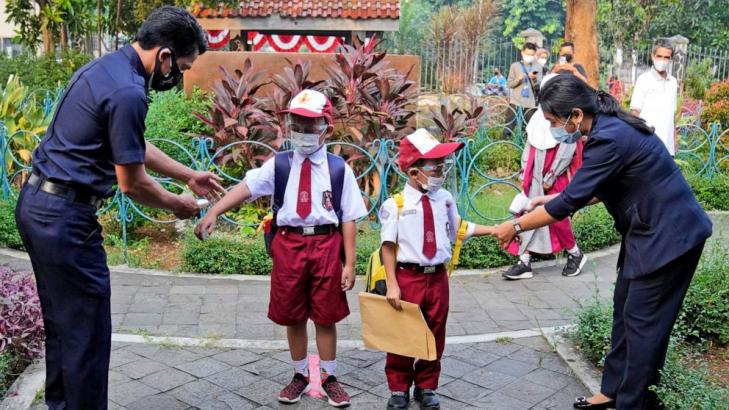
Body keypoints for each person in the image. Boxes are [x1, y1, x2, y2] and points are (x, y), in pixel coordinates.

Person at [14, 6, 224, 410]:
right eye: (182, 66)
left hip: (38, 206)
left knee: (63, 326)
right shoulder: (129, 91)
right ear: (164, 56)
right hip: (65, 219)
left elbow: (131, 142)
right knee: (88, 334)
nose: (178, 75)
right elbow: (132, 183)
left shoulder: (107, 68)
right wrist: (176, 204)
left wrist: (187, 175)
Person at [490, 74, 712, 409]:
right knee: (625, 313)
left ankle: (633, 403)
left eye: (553, 121)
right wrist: (550, 197)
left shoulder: (610, 136)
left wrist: (516, 226)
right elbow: (593, 187)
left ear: (575, 115)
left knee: (644, 328)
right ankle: (611, 392)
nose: (552, 128)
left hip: (671, 240)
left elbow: (568, 206)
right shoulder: (607, 127)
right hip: (648, 233)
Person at [195, 89, 367, 408]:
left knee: (325, 316)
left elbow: (349, 219)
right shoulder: (280, 165)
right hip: (288, 244)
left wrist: (350, 263)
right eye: (297, 125)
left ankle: (329, 376)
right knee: (293, 315)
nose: (302, 132)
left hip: (326, 244)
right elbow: (246, 188)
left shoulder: (338, 169)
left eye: (310, 125)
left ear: (326, 128)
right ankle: (300, 374)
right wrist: (214, 211)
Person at [382, 129, 492, 410]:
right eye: (435, 167)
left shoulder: (444, 198)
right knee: (404, 332)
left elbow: (459, 229)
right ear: (414, 171)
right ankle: (398, 387)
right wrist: (392, 284)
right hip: (408, 276)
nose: (440, 173)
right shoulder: (396, 205)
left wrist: (497, 229)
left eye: (443, 167)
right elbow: (388, 247)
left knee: (435, 331)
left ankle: (427, 384)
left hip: (437, 276)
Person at [503, 74, 586, 280]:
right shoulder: (538, 119)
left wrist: (552, 175)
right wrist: (525, 171)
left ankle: (575, 253)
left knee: (557, 216)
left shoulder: (565, 118)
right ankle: (524, 260)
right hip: (534, 175)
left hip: (553, 177)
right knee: (525, 214)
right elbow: (529, 146)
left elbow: (567, 150)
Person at [630, 38, 679, 156]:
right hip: (647, 144)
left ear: (670, 59)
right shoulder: (644, 80)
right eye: (659, 56)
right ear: (653, 56)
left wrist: (674, 138)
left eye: (666, 57)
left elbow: (671, 114)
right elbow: (634, 113)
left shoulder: (673, 82)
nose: (662, 60)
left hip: (667, 146)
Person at [506, 42, 542, 129]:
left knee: (527, 129)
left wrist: (534, 79)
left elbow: (539, 86)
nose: (529, 57)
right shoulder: (515, 66)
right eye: (527, 54)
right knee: (508, 128)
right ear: (522, 53)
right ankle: (505, 142)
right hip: (515, 101)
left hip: (530, 104)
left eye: (532, 55)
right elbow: (509, 84)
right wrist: (518, 80)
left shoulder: (537, 67)